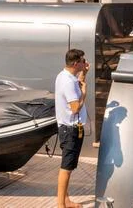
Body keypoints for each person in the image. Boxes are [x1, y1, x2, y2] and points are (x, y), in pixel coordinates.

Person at [55, 49, 89, 208]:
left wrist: (84, 74)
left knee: (67, 165)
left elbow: (77, 85)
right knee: (66, 168)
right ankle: (60, 205)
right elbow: (75, 108)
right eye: (83, 61)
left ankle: (66, 200)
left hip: (67, 127)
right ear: (76, 63)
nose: (85, 62)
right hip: (71, 129)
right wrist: (84, 94)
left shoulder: (64, 76)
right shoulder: (68, 82)